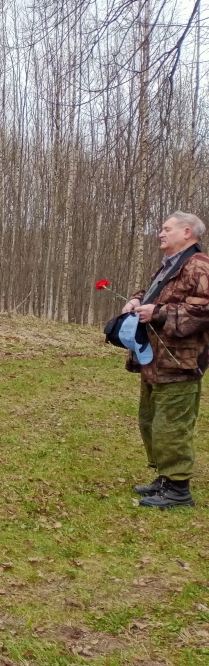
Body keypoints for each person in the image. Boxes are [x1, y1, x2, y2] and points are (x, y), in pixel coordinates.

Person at [124, 211, 209, 508]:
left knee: (172, 425)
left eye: (166, 228)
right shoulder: (170, 266)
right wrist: (137, 300)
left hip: (180, 362)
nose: (160, 233)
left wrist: (157, 314)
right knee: (150, 421)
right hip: (154, 359)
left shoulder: (199, 266)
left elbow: (203, 312)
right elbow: (156, 294)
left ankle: (178, 490)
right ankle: (164, 477)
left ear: (187, 232)